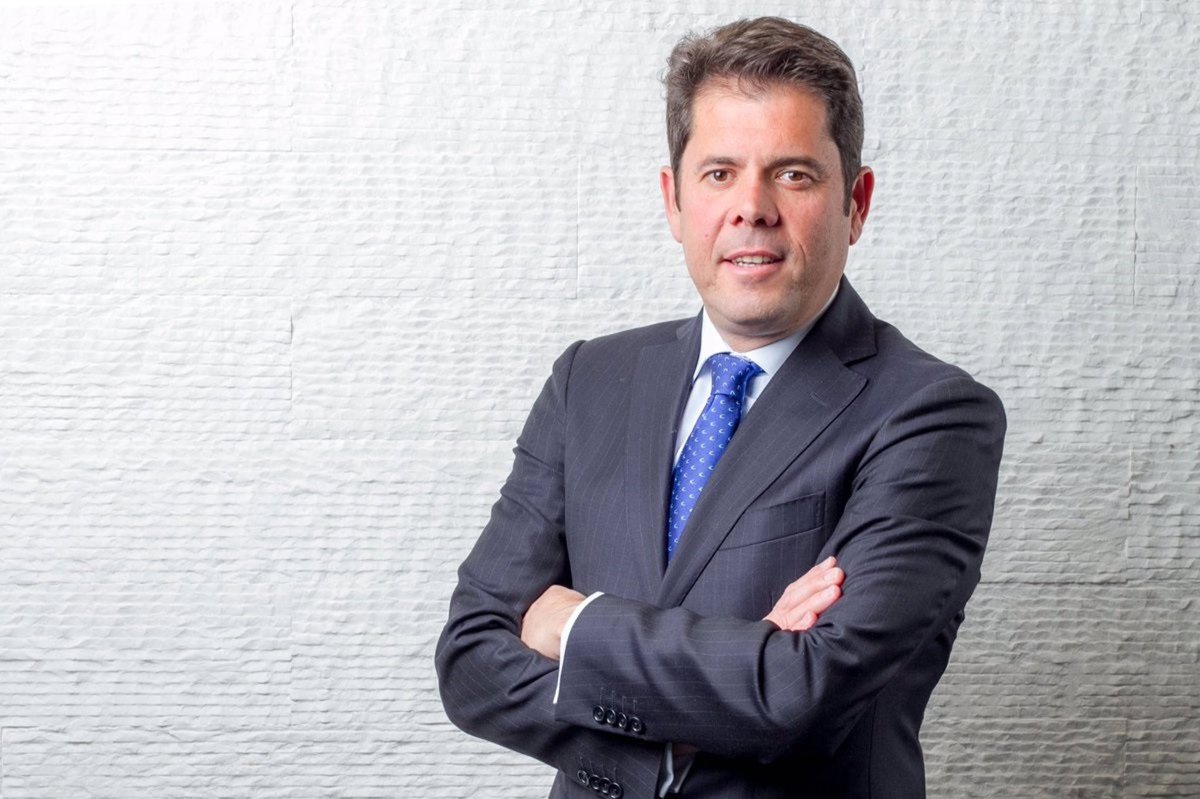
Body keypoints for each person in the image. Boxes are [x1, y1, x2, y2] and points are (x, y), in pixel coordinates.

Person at [436, 16, 1005, 799]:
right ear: (674, 201)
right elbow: (471, 658)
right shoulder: (589, 380)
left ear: (857, 203)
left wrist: (575, 625)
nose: (752, 207)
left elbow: (802, 692)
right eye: (718, 173)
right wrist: (675, 740)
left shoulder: (933, 415)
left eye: (794, 174)